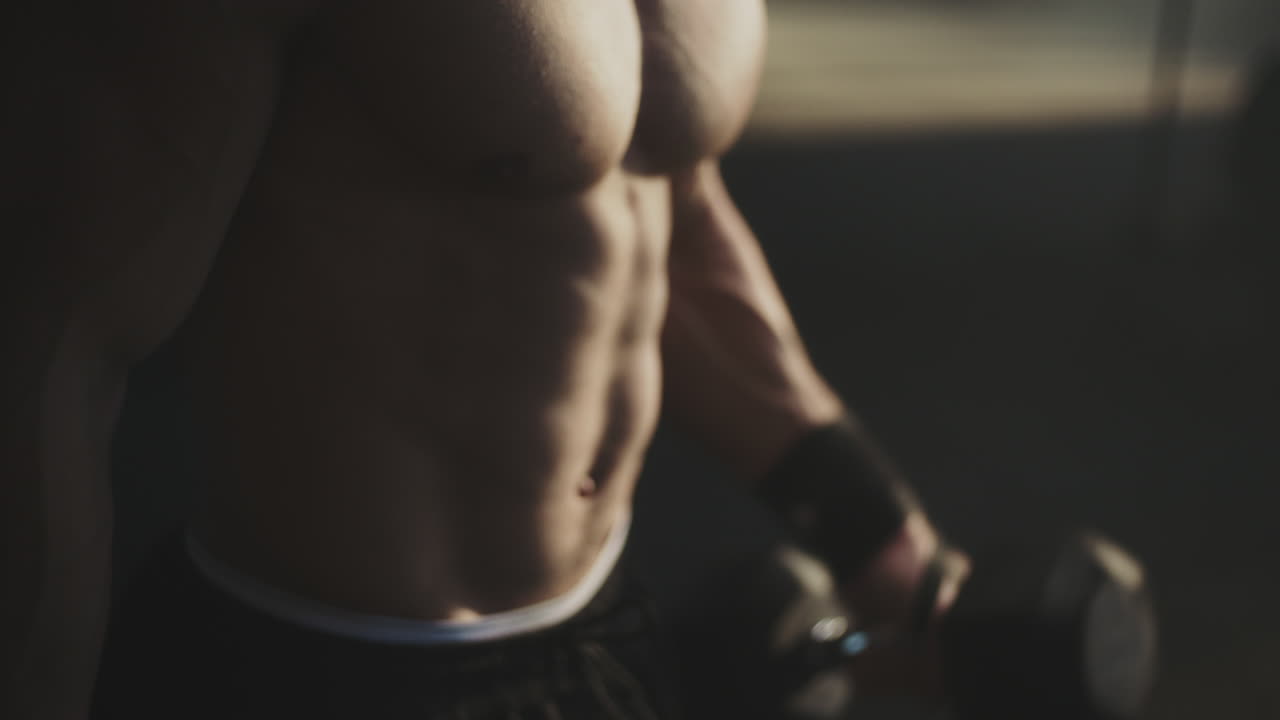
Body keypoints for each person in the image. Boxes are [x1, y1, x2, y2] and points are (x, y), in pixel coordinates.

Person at [1, 1, 966, 718]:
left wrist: (877, 538)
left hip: (599, 644)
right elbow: (57, 345)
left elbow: (673, 227)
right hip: (326, 671)